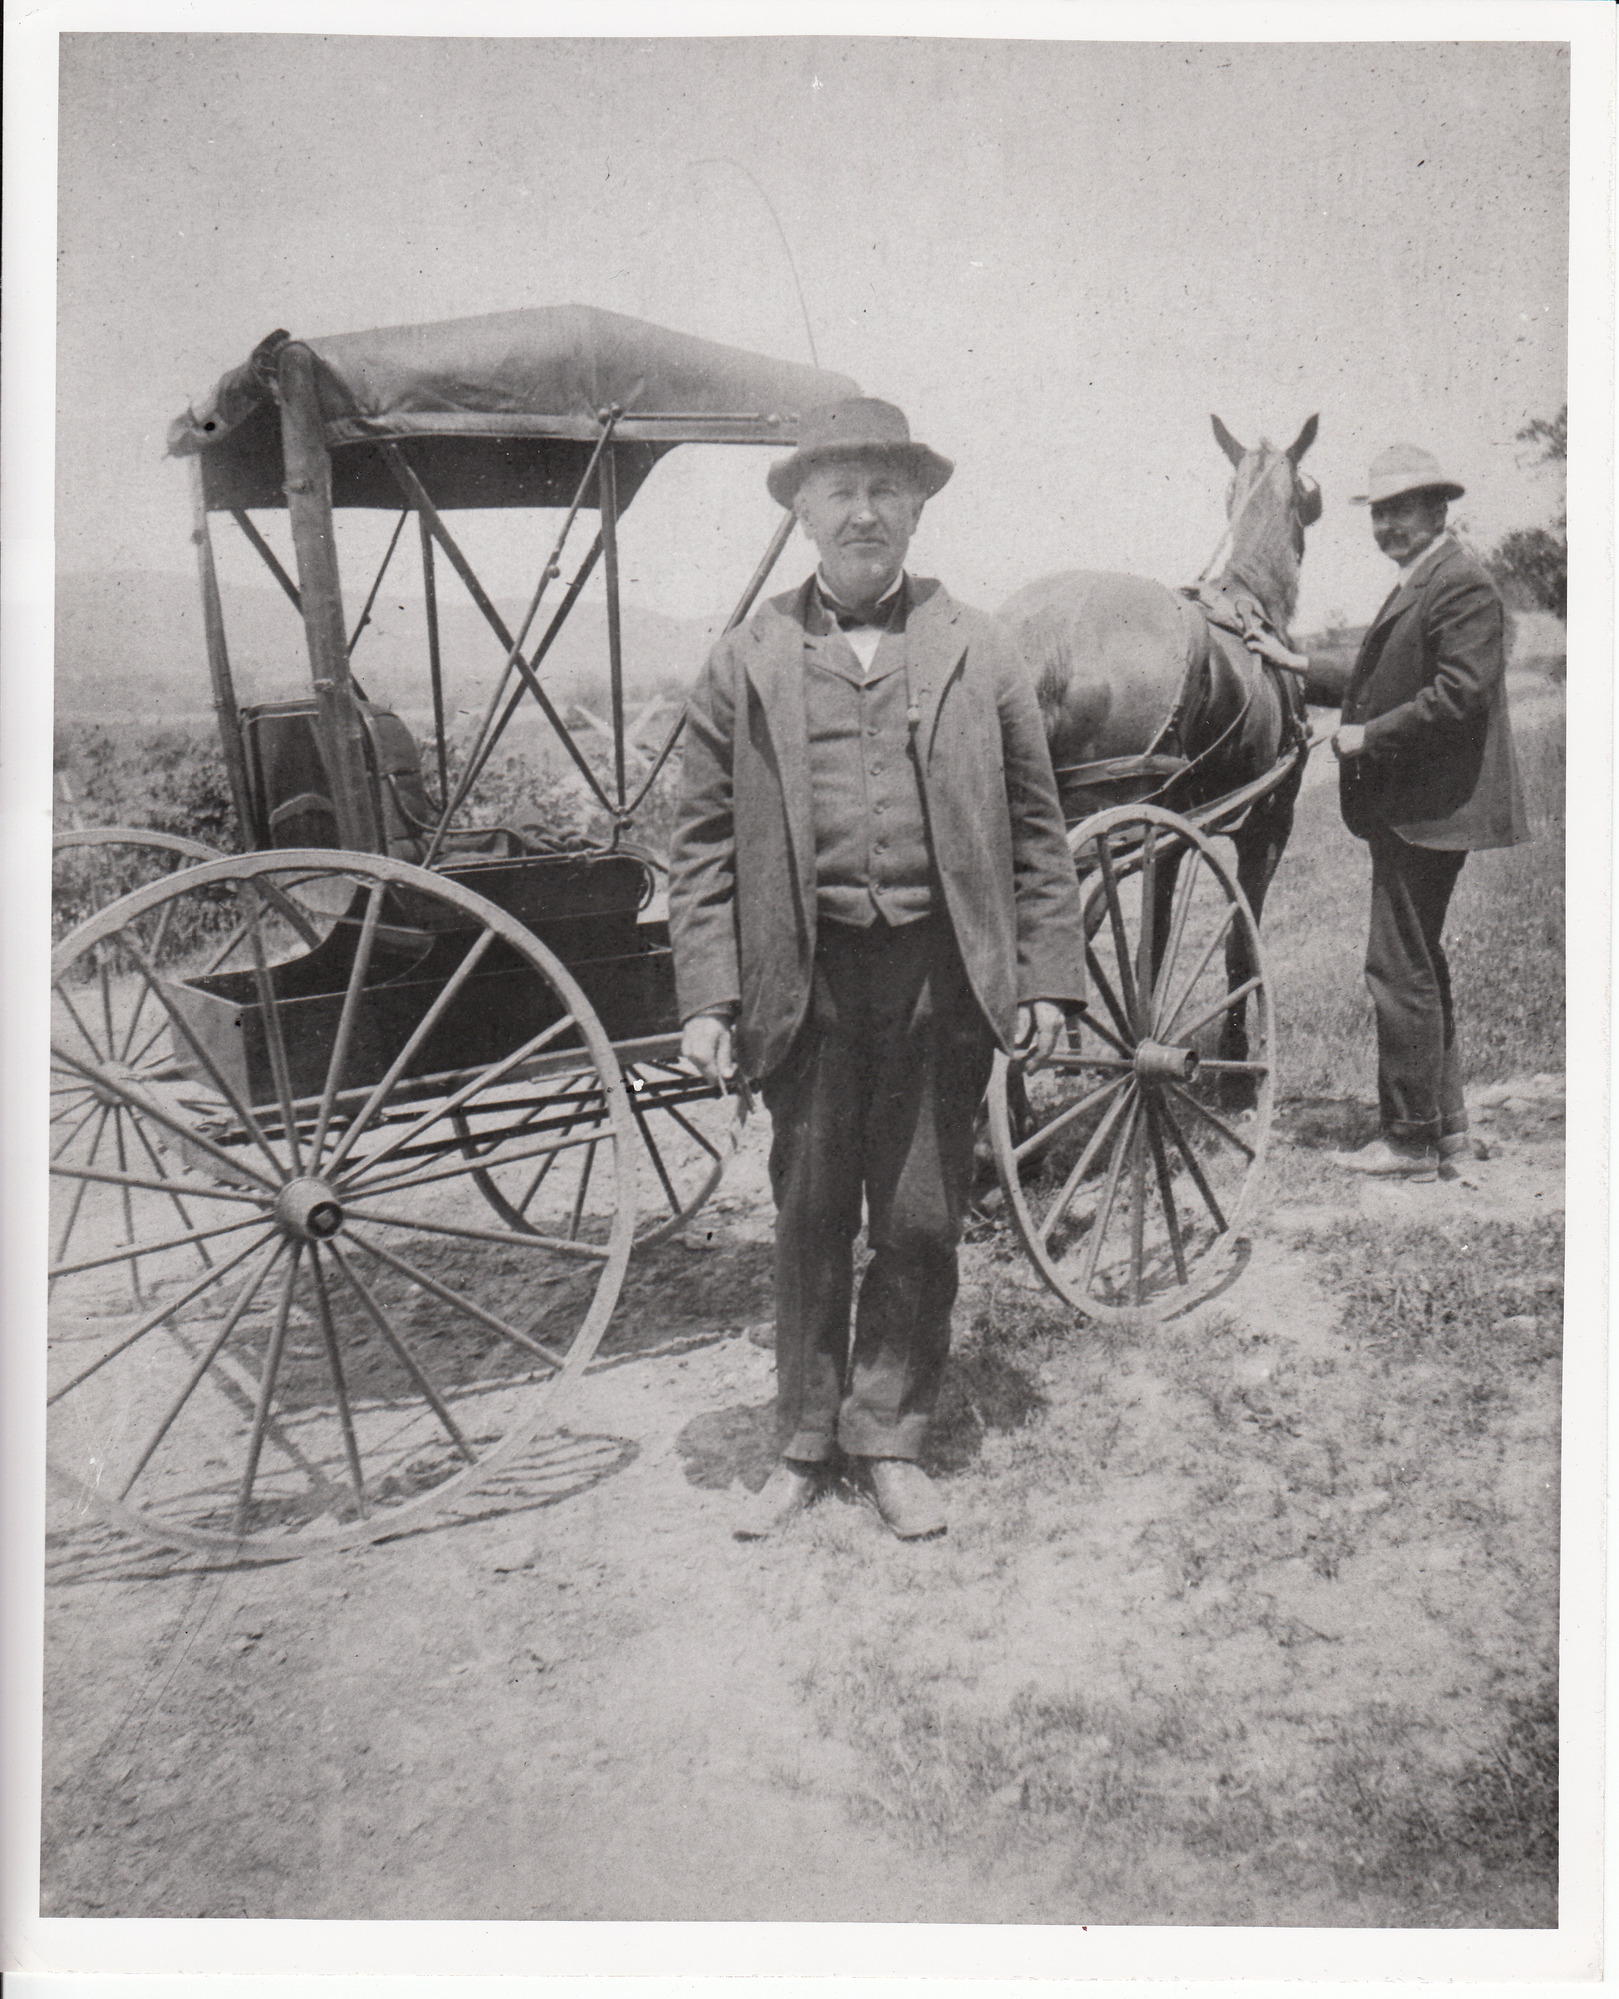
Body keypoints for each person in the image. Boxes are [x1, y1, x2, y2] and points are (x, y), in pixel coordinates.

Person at [668, 397, 1087, 1540]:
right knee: (808, 1212)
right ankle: (804, 1441)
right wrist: (708, 997)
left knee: (919, 1215)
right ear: (803, 514)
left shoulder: (977, 646)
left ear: (914, 511)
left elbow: (1036, 828)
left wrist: (1047, 977)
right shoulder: (745, 658)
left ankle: (889, 1435)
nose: (863, 513)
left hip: (934, 978)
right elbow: (698, 845)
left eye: (884, 492)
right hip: (800, 983)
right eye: (840, 492)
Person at [1327, 444, 1528, 1182]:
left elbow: (1459, 694)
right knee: (1418, 958)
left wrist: (1367, 736)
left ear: (1438, 510)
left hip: (1431, 808)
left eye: (1400, 511)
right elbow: (1375, 677)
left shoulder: (1459, 582)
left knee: (1397, 963)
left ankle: (1409, 1140)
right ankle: (1447, 1132)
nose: (1386, 526)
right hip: (1417, 806)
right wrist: (1289, 664)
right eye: (1378, 514)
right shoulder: (1424, 580)